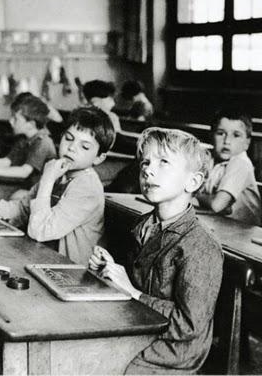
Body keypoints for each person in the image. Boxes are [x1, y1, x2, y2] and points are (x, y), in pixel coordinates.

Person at [89, 127, 223, 374]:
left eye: (164, 163)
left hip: (173, 352)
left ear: (192, 182)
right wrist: (110, 271)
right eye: (145, 162)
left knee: (96, 363)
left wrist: (131, 292)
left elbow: (187, 326)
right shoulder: (145, 226)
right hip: (141, 329)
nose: (148, 170)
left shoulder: (201, 246)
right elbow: (139, 283)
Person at [0, 106, 116, 265]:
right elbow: (23, 207)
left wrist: (47, 180)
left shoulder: (87, 188)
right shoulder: (59, 171)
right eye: (68, 138)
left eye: (85, 146)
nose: (72, 148)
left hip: (69, 272)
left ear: (99, 158)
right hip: (42, 258)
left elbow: (41, 231)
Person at [0, 94, 57, 193]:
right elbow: (7, 161)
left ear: (31, 124)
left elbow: (24, 172)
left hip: (43, 193)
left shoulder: (43, 142)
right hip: (28, 187)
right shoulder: (24, 139)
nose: (10, 121)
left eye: (15, 118)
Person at [195, 108, 262, 225]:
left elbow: (217, 205)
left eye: (236, 135)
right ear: (211, 136)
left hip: (243, 233)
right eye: (220, 133)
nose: (227, 141)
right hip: (217, 223)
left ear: (247, 143)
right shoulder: (209, 158)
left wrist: (195, 195)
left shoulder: (241, 163)